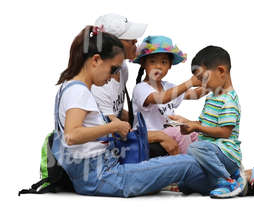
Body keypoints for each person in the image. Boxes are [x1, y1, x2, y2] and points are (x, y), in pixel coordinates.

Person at [51, 25, 221, 197]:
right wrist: (112, 127)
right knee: (187, 163)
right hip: (104, 176)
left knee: (187, 157)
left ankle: (222, 180)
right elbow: (72, 136)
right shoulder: (78, 91)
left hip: (101, 171)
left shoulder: (70, 87)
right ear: (96, 60)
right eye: (113, 69)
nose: (112, 76)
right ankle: (227, 183)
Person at [169, 46, 254, 197]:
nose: (201, 84)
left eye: (203, 78)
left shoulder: (229, 100)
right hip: (211, 152)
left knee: (195, 148)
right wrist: (186, 122)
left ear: (221, 71)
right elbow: (203, 124)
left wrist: (196, 128)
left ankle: (227, 181)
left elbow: (225, 132)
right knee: (186, 184)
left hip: (226, 153)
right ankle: (247, 179)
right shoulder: (212, 97)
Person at [91, 14, 182, 157]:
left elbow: (117, 111)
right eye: (129, 38)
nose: (135, 40)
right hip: (106, 150)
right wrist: (159, 135)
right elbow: (112, 131)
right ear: (112, 45)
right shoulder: (99, 86)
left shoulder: (122, 68)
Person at [131, 35, 208, 154]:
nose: (158, 66)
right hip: (150, 135)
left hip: (169, 131)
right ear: (143, 64)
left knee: (195, 132)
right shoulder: (141, 88)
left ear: (170, 66)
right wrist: (190, 82)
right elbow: (162, 98)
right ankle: (186, 166)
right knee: (180, 132)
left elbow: (194, 94)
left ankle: (206, 167)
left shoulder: (169, 87)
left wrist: (212, 84)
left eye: (164, 62)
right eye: (152, 61)